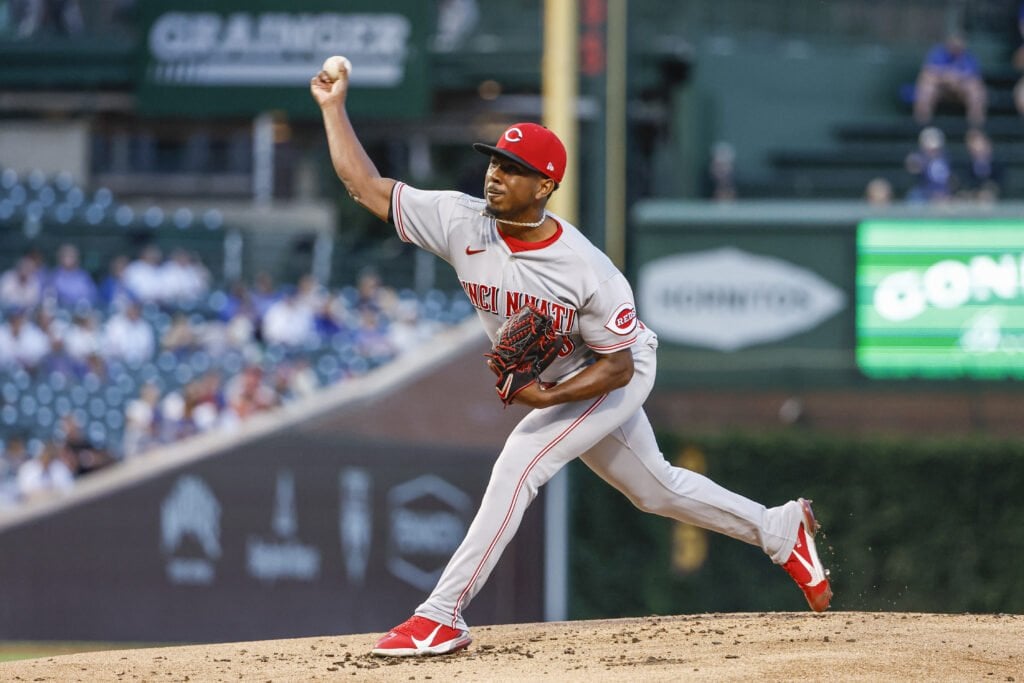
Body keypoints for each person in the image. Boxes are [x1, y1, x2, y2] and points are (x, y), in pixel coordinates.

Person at [311, 62, 833, 658]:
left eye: (515, 170)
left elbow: (616, 368)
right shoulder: (461, 222)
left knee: (519, 463)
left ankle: (441, 614)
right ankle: (779, 529)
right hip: (567, 376)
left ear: (546, 186)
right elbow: (366, 186)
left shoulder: (585, 268)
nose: (496, 176)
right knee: (654, 489)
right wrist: (333, 108)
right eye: (494, 162)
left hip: (616, 372)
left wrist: (546, 398)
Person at [913, 33, 987, 129]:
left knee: (976, 92)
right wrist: (947, 78)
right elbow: (927, 74)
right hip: (940, 90)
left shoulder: (968, 57)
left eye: (959, 47)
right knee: (926, 88)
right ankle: (921, 128)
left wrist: (957, 79)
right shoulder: (938, 54)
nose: (956, 49)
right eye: (954, 46)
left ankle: (976, 130)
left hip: (961, 91)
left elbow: (975, 78)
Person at [905, 126, 952, 203]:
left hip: (944, 195)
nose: (932, 151)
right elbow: (911, 165)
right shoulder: (919, 158)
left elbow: (949, 181)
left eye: (935, 149)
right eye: (929, 149)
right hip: (925, 195)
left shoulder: (945, 159)